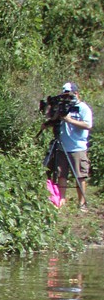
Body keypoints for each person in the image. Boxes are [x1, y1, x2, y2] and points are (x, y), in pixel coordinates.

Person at [53, 82, 93, 211]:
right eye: (64, 96)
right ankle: (61, 200)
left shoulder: (83, 108)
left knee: (80, 175)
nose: (67, 98)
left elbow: (87, 125)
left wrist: (70, 120)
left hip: (78, 147)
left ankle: (81, 203)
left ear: (76, 93)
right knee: (61, 175)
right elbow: (54, 120)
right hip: (62, 146)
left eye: (69, 95)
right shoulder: (63, 107)